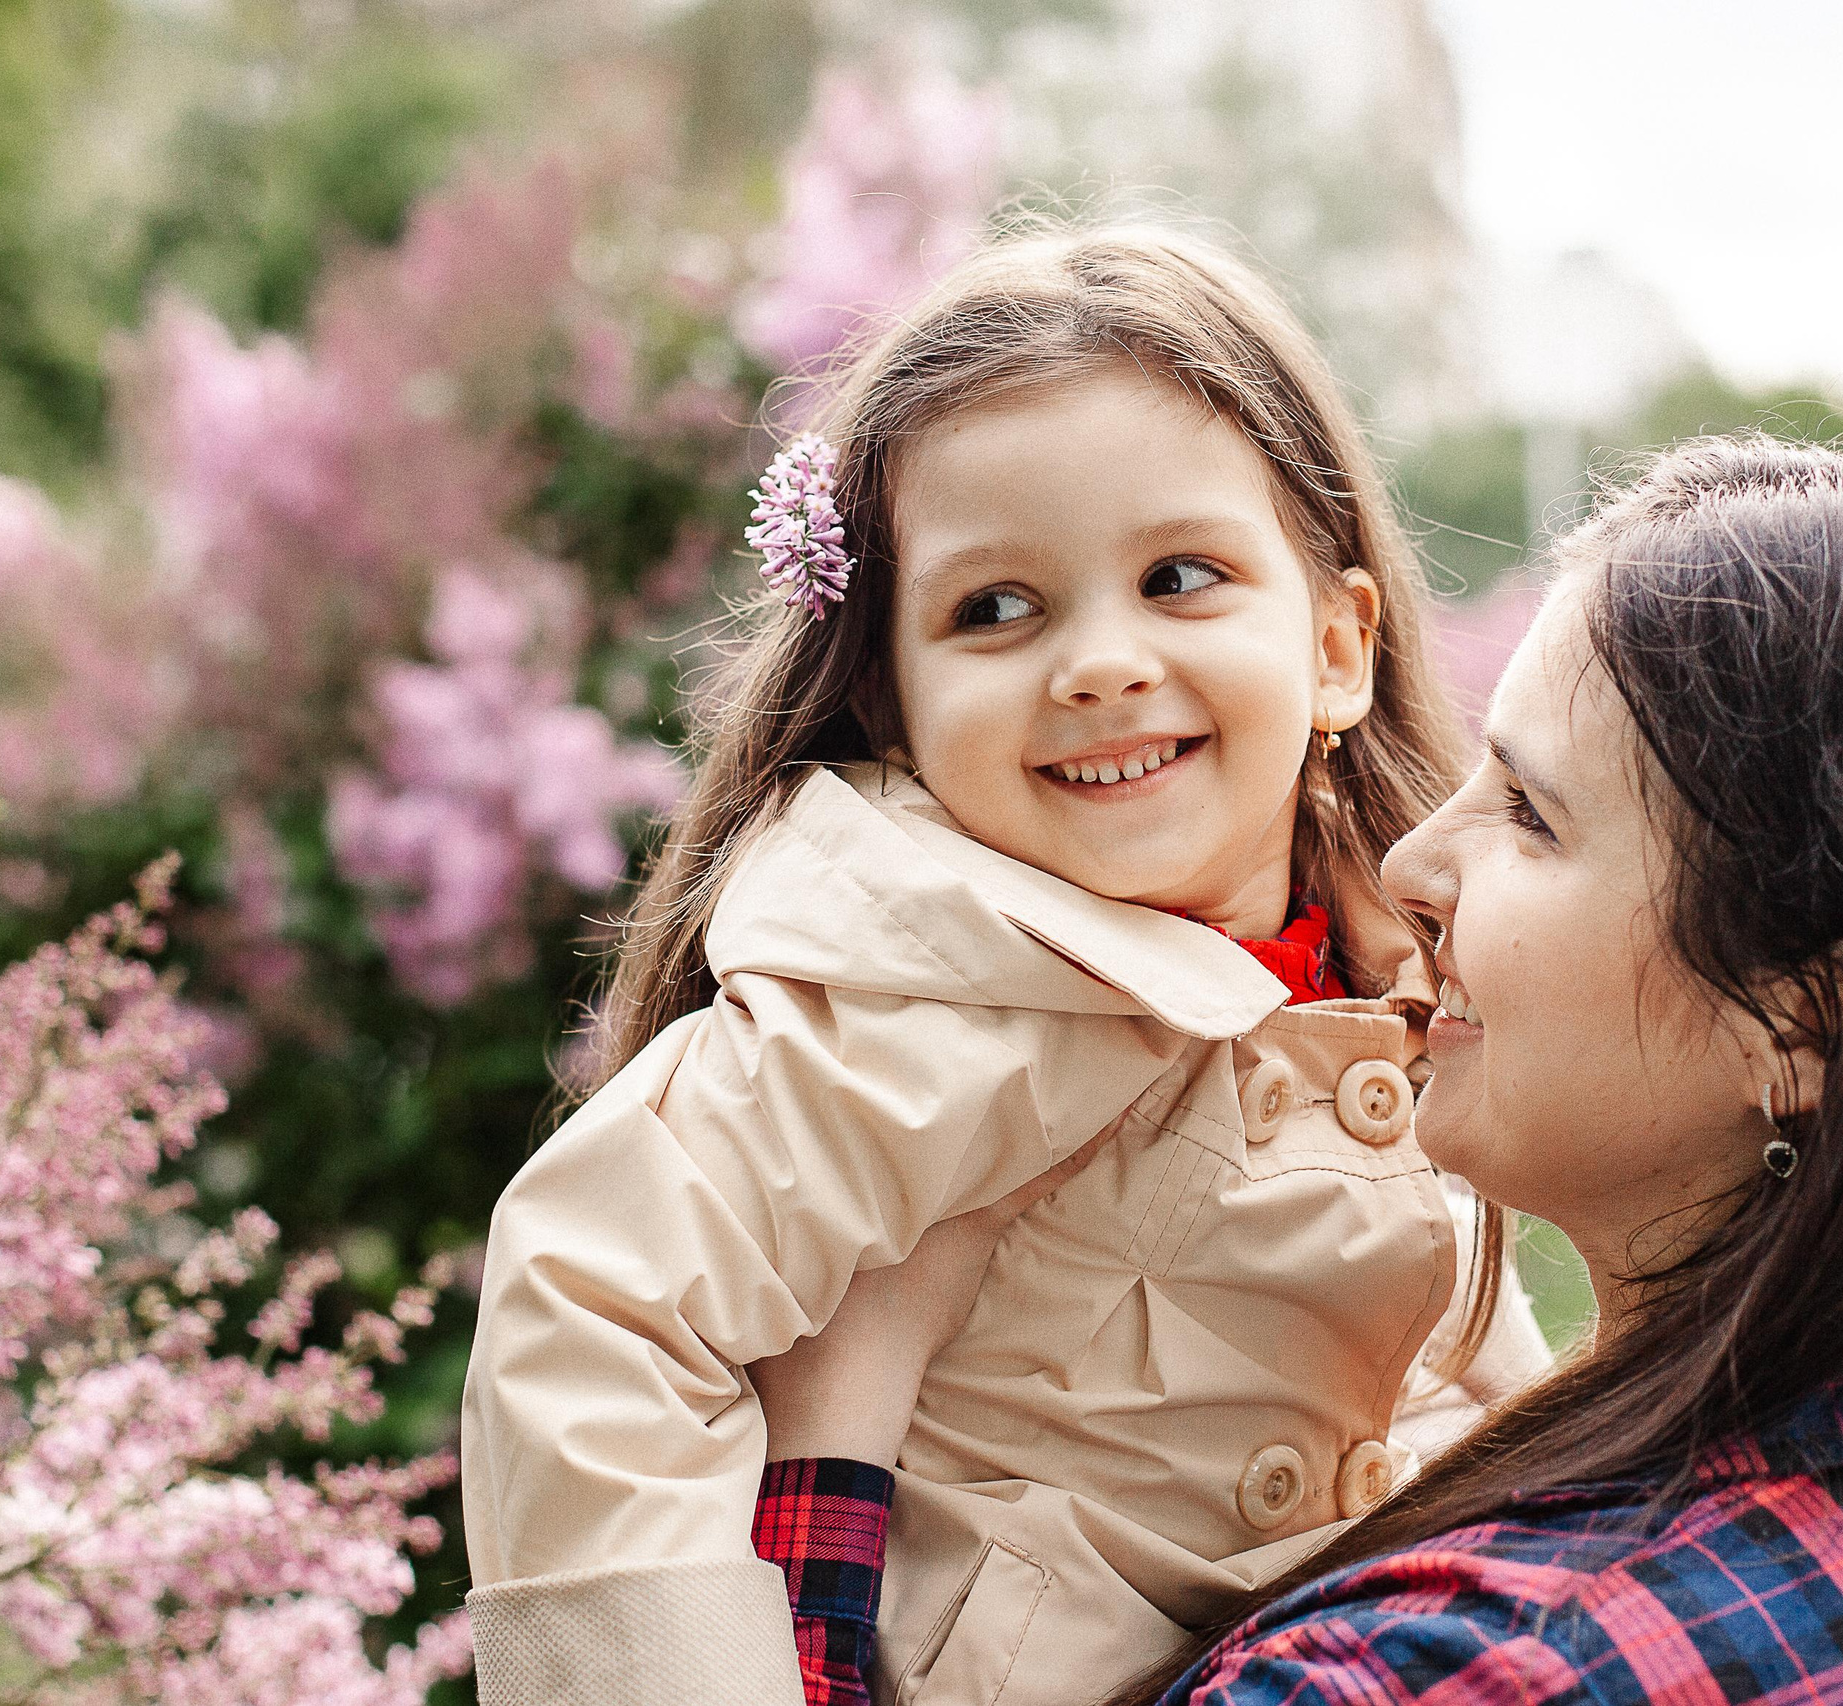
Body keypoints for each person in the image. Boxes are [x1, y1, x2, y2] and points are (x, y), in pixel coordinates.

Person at [457, 226, 1548, 1706]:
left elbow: (1476, 1343)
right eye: (994, 609)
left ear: (1338, 647)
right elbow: (594, 1287)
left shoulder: (1408, 951)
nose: (1098, 662)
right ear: (894, 703)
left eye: (1178, 576)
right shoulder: (916, 975)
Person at [748, 437, 1843, 1706]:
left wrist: (836, 1413)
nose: (1409, 865)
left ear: (1804, 1020)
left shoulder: (1436, 1673)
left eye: (1533, 817)